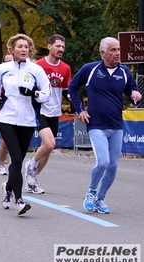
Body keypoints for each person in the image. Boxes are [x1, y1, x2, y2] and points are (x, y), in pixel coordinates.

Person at [68, 37, 142, 214]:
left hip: (116, 124)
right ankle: (91, 191)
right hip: (96, 125)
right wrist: (80, 110)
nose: (117, 53)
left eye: (119, 50)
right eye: (113, 50)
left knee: (113, 165)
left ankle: (100, 199)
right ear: (103, 53)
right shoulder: (90, 69)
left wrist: (135, 94)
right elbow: (72, 88)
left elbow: (131, 89)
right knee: (103, 162)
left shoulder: (124, 71)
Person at [0, 34, 50, 215]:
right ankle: (19, 200)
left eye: (26, 47)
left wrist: (34, 94)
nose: (24, 49)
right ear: (12, 50)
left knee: (18, 160)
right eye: (20, 47)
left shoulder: (36, 70)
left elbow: (47, 93)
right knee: (16, 159)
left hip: (27, 120)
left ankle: (7, 189)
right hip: (7, 119)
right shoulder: (2, 68)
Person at [24, 34, 72, 194]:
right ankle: (31, 165)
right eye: (58, 46)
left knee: (49, 148)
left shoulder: (65, 68)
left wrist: (73, 98)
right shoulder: (38, 66)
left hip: (55, 111)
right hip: (40, 111)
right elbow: (29, 87)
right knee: (49, 144)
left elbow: (66, 89)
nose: (61, 49)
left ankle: (32, 178)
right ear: (49, 46)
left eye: (63, 47)